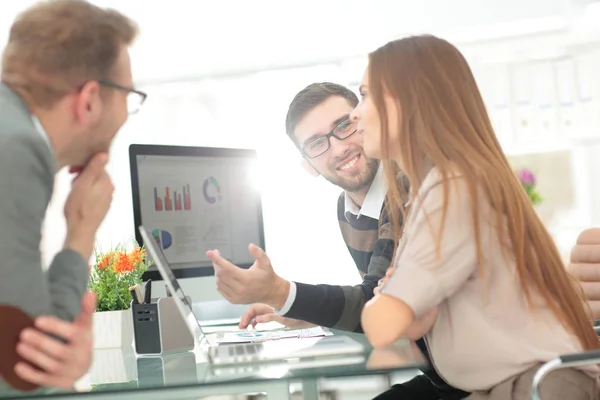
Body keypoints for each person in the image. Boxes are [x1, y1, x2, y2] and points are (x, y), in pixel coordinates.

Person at [355, 34, 600, 399]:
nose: (355, 113)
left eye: (366, 95)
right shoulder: (443, 186)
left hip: (538, 388)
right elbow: (409, 319)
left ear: (406, 102)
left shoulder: (453, 190)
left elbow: (382, 326)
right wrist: (411, 311)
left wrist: (387, 304)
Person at [207, 82, 467, 399]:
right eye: (317, 143)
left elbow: (375, 301)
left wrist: (282, 292)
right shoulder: (348, 210)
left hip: (477, 379)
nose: (339, 148)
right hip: (446, 378)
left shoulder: (409, 185)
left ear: (364, 120)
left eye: (343, 126)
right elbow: (380, 298)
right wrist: (301, 310)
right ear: (308, 165)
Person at [0, 0, 140, 392]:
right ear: (90, 99)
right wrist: (81, 231)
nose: (127, 113)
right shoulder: (16, 150)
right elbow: (26, 365)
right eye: (129, 96)